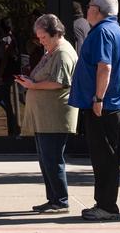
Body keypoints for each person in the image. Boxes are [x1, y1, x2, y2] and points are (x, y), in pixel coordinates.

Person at [69, 0, 120, 222]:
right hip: (111, 104)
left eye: (89, 6)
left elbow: (105, 66)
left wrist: (98, 98)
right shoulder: (115, 29)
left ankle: (106, 206)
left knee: (104, 158)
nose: (87, 10)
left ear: (96, 9)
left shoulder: (103, 31)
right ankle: (104, 204)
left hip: (104, 105)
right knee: (106, 157)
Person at [16, 13, 78, 214]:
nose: (41, 41)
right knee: (46, 159)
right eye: (39, 37)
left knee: (52, 158)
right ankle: (53, 199)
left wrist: (33, 85)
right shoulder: (51, 51)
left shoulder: (62, 53)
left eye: (43, 37)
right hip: (44, 116)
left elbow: (60, 82)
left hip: (55, 116)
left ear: (56, 33)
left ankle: (60, 200)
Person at [0, 18, 20, 137]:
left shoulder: (7, 40)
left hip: (7, 75)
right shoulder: (12, 38)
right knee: (6, 101)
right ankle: (12, 129)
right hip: (9, 74)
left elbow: (5, 58)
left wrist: (0, 74)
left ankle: (13, 126)